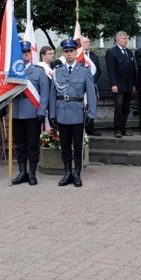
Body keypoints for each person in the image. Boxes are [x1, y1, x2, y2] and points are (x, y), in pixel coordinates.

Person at [49, 39, 97, 187]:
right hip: (62, 113)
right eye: (66, 51)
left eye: (71, 51)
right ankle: (67, 173)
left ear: (76, 53)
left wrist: (91, 114)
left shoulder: (84, 71)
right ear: (63, 53)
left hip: (77, 113)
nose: (69, 54)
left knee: (77, 146)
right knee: (64, 146)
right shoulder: (57, 72)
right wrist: (52, 115)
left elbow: (91, 93)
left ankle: (77, 173)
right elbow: (52, 95)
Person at [11, 41, 50, 185]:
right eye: (23, 52)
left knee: (32, 144)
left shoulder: (39, 71)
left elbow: (45, 94)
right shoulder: (13, 71)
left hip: (33, 112)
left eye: (28, 51)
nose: (26, 54)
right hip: (16, 111)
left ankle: (32, 172)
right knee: (20, 144)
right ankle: (22, 172)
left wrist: (41, 112)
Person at [105, 31, 136, 138]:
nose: (126, 40)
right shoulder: (112, 52)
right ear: (117, 40)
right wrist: (113, 84)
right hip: (118, 85)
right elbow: (111, 70)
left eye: (126, 39)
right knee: (119, 107)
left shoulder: (129, 52)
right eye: (123, 39)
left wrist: (133, 84)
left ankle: (123, 128)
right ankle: (117, 129)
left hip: (128, 85)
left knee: (126, 108)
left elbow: (132, 70)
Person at [81, 36, 101, 136]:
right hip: (80, 87)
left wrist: (91, 82)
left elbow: (98, 71)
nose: (88, 44)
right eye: (85, 42)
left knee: (91, 106)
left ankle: (90, 128)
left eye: (89, 42)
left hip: (91, 85)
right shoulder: (78, 56)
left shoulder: (94, 57)